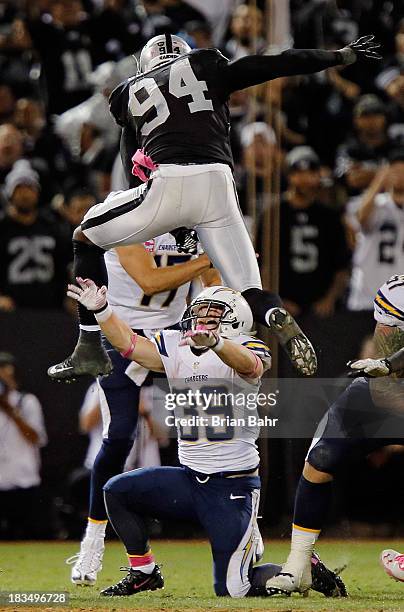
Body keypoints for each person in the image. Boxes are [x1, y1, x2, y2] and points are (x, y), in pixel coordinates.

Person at [47, 32, 382, 384]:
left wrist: (170, 224)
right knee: (250, 290)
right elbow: (271, 64)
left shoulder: (130, 90)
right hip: (221, 186)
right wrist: (338, 56)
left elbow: (135, 168)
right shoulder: (205, 64)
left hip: (169, 182)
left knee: (84, 236)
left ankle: (88, 346)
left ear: (144, 65)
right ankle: (274, 315)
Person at [67, 278, 346, 598]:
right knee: (116, 491)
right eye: (199, 313)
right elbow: (129, 345)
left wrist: (216, 343)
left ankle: (302, 568)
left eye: (213, 315)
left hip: (233, 487)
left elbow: (250, 365)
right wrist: (102, 312)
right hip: (189, 479)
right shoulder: (175, 344)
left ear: (235, 319)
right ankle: (143, 571)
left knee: (234, 589)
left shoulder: (248, 344)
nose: (202, 320)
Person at [67, 232, 220, 586]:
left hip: (175, 333)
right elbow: (148, 281)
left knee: (211, 426)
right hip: (123, 332)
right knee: (119, 434)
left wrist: (221, 273)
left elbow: (214, 289)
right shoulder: (128, 217)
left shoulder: (195, 225)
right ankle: (93, 541)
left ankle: (244, 525)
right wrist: (207, 258)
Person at [265, 273, 404, 596]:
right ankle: (298, 565)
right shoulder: (398, 296)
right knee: (321, 457)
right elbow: (384, 390)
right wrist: (386, 364)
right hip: (389, 394)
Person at [0, 351, 48, 539]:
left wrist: (11, 412)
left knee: (24, 532)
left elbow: (37, 437)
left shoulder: (26, 401)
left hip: (23, 477)